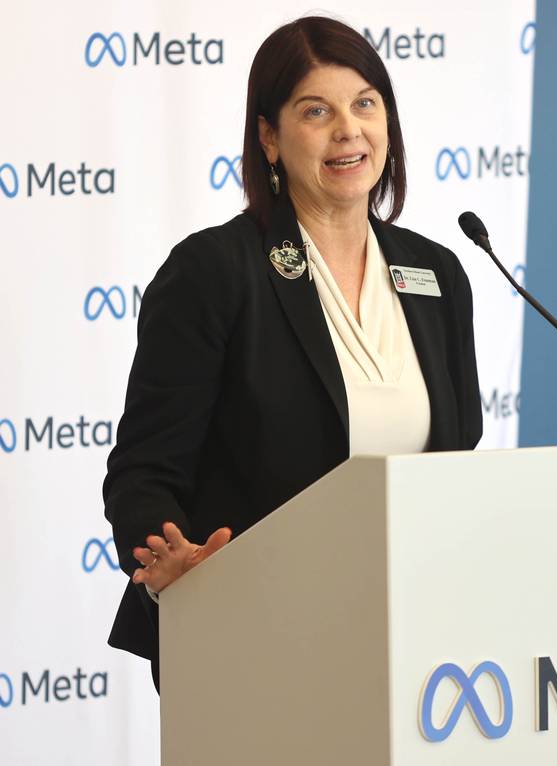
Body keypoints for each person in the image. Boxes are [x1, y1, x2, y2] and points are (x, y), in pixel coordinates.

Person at [103, 16, 482, 690]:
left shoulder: (437, 274)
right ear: (270, 137)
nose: (348, 129)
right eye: (317, 111)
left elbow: (457, 458)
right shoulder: (215, 272)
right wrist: (170, 561)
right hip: (252, 637)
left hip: (408, 641)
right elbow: (144, 471)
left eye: (365, 103)